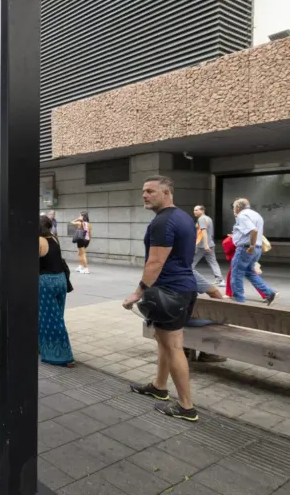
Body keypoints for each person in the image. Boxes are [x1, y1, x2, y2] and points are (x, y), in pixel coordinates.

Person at [124, 176, 199, 422]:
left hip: (170, 291)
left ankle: (186, 407)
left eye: (151, 191)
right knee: (164, 342)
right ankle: (159, 387)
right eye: (143, 191)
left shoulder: (163, 221)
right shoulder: (184, 217)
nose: (145, 195)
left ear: (166, 193)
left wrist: (138, 292)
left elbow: (155, 262)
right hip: (184, 290)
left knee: (174, 346)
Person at [39, 215, 75, 367]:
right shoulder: (54, 238)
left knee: (51, 320)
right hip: (60, 280)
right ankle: (43, 346)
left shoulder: (39, 240)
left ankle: (63, 356)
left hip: (46, 282)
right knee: (56, 315)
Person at [230, 198, 277, 306]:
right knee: (249, 272)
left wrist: (251, 245)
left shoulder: (242, 215)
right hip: (257, 248)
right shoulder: (256, 215)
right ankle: (269, 293)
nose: (234, 210)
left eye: (234, 207)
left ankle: (239, 301)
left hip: (246, 248)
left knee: (236, 274)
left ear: (238, 207)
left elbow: (253, 230)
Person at [221, 235, 265, 301]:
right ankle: (267, 293)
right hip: (250, 249)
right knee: (252, 275)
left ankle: (231, 294)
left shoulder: (231, 240)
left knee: (234, 275)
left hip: (242, 252)